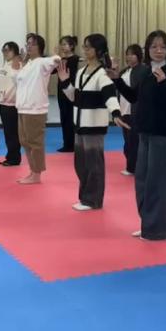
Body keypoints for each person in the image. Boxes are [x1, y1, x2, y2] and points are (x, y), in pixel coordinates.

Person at [111, 30, 166, 240]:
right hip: (143, 132)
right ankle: (148, 223)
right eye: (154, 47)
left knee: (158, 183)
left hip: (163, 134)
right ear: (147, 49)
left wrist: (163, 84)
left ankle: (157, 230)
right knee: (142, 180)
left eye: (163, 47)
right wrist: (117, 80)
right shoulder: (145, 71)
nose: (158, 50)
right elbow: (134, 96)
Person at [58, 33, 127, 210]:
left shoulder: (102, 74)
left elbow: (110, 96)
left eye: (88, 47)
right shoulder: (81, 72)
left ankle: (93, 200)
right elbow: (74, 97)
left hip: (94, 127)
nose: (85, 49)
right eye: (84, 46)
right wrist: (65, 83)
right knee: (81, 163)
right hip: (80, 125)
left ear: (98, 50)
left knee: (93, 164)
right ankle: (85, 197)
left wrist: (116, 113)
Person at [15, 33, 61, 185]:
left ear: (40, 47)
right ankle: (32, 171)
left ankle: (37, 174)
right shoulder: (28, 64)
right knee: (24, 142)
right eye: (27, 43)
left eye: (32, 44)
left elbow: (55, 61)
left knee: (35, 143)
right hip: (23, 108)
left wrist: (56, 55)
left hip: (35, 109)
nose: (29, 46)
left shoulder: (42, 62)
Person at [0, 41, 23, 167]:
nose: (5, 53)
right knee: (7, 132)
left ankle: (15, 158)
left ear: (15, 52)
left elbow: (19, 81)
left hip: (13, 104)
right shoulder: (3, 67)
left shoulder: (18, 66)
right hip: (3, 103)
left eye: (8, 50)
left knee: (13, 132)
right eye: (3, 50)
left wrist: (21, 61)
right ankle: (10, 156)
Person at [119, 44, 144, 176]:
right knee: (128, 140)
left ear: (138, 56)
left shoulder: (141, 70)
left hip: (133, 110)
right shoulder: (125, 71)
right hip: (124, 109)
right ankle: (132, 165)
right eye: (127, 54)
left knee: (133, 141)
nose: (129, 57)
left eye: (132, 54)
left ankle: (132, 167)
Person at [57, 35, 80, 153]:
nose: (62, 46)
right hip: (61, 91)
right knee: (64, 118)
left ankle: (71, 144)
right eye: (61, 44)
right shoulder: (61, 60)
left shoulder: (77, 59)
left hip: (71, 91)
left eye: (65, 44)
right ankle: (67, 143)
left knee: (71, 118)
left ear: (71, 46)